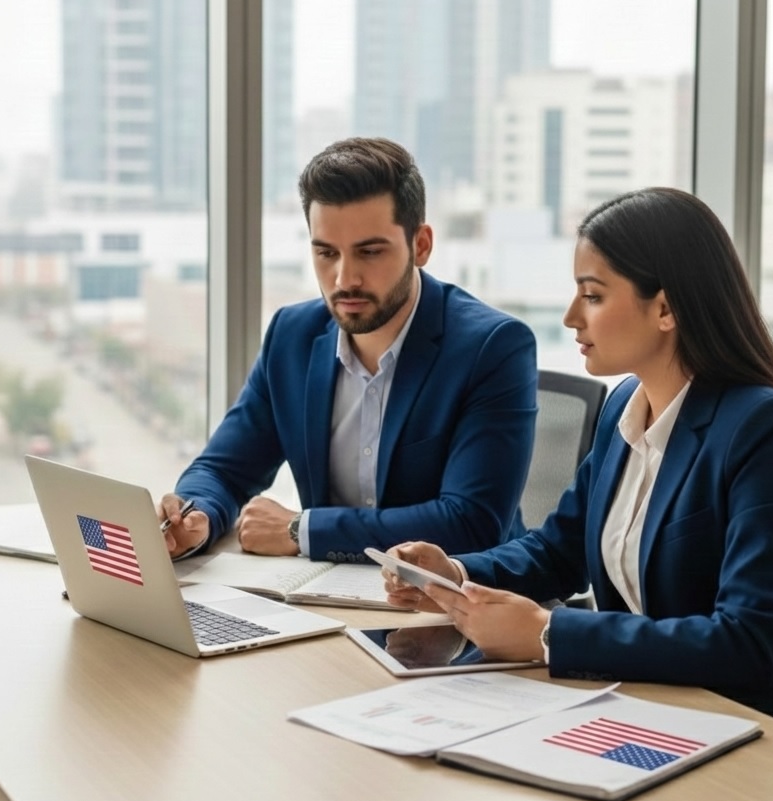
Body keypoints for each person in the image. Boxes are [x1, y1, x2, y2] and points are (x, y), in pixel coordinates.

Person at [383, 187, 773, 736]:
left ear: (665, 308)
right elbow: (557, 550)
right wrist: (456, 572)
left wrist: (549, 634)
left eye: (592, 296)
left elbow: (749, 642)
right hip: (659, 714)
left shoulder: (767, 431)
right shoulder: (624, 407)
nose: (571, 317)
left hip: (772, 736)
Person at [158, 137, 537, 563]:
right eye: (326, 253)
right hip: (326, 598)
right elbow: (223, 470)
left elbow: (470, 522)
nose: (344, 279)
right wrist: (197, 515)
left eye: (370, 252)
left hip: (453, 608)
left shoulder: (493, 347)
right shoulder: (292, 336)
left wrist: (301, 530)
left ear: (421, 245)